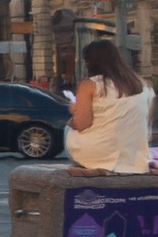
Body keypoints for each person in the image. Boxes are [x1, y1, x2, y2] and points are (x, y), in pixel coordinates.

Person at [64, 38, 152, 174]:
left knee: (66, 129)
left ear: (89, 62)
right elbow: (147, 117)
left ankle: (92, 165)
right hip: (134, 155)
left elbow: (82, 124)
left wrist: (75, 111)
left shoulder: (89, 84)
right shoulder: (141, 83)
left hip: (99, 152)